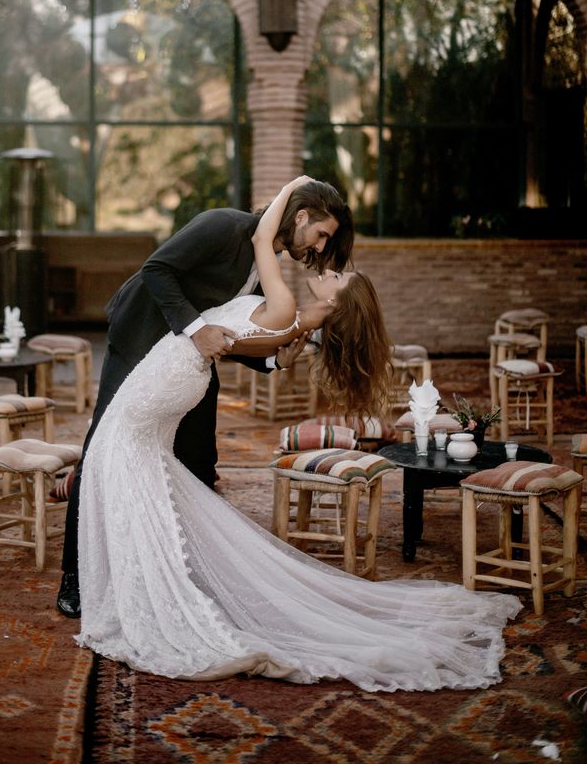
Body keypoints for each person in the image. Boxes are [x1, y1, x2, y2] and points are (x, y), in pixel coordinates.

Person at [75, 178, 521, 689]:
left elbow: (260, 273)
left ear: (338, 303)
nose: (326, 259)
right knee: (133, 471)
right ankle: (119, 582)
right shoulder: (269, 287)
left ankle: (142, 592)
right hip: (164, 362)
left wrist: (296, 188)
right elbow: (233, 329)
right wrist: (253, 343)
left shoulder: (286, 302)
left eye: (338, 269)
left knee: (120, 462)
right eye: (324, 239)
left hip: (171, 378)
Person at [57, 179, 353, 617]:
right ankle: (74, 578)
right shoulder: (222, 225)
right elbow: (158, 269)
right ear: (301, 216)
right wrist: (196, 331)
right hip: (140, 340)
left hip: (186, 363)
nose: (319, 246)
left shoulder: (262, 260)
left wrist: (274, 362)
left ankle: (182, 569)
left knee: (199, 461)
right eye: (321, 234)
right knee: (102, 448)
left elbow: (234, 330)